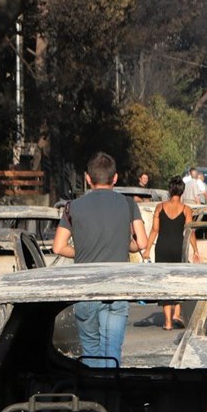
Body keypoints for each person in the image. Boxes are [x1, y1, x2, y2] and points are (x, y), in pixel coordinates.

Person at [52, 152, 149, 368]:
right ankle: (111, 397)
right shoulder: (128, 204)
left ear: (87, 178)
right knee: (112, 354)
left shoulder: (72, 207)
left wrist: (86, 251)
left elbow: (58, 246)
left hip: (86, 290)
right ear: (115, 178)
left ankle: (92, 396)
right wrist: (121, 245)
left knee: (91, 354)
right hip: (116, 289)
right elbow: (141, 243)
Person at [151, 177, 199, 330]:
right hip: (179, 247)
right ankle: (176, 313)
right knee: (178, 281)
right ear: (182, 191)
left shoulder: (159, 207)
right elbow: (190, 232)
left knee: (164, 283)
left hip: (162, 247)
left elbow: (155, 230)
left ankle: (168, 322)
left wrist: (146, 250)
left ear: (169, 190)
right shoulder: (186, 209)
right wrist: (196, 250)